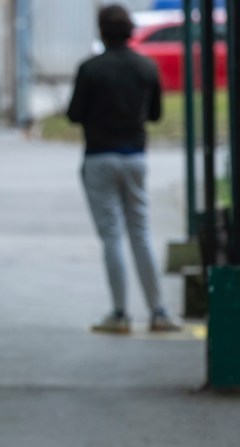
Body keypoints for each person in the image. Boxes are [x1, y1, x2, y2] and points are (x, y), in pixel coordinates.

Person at [67, 4, 180, 334]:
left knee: (112, 236)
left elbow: (75, 114)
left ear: (102, 31)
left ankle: (119, 314)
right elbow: (156, 114)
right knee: (141, 233)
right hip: (135, 157)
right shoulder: (146, 67)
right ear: (130, 30)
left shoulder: (90, 68)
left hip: (99, 157)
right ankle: (159, 311)